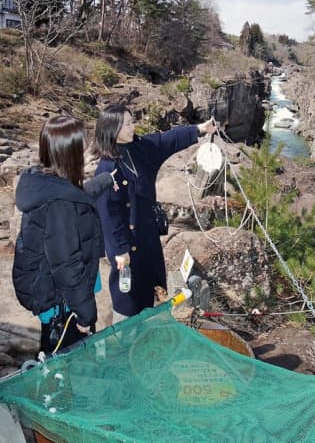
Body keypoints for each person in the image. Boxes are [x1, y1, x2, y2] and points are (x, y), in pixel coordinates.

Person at [94, 102, 217, 322]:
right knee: (127, 296)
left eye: (132, 122)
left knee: (146, 290)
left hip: (146, 235)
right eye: (128, 124)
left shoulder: (140, 148)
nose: (133, 127)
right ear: (112, 129)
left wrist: (200, 129)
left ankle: (142, 336)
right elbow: (109, 215)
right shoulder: (106, 168)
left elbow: (167, 140)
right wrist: (119, 250)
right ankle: (124, 340)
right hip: (126, 244)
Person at [12, 115, 118, 354]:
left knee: (53, 358)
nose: (86, 154)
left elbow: (77, 196)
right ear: (68, 154)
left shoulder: (47, 184)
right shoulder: (60, 205)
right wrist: (85, 314)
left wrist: (104, 181)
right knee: (63, 370)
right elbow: (66, 265)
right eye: (82, 148)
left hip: (56, 297)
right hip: (65, 305)